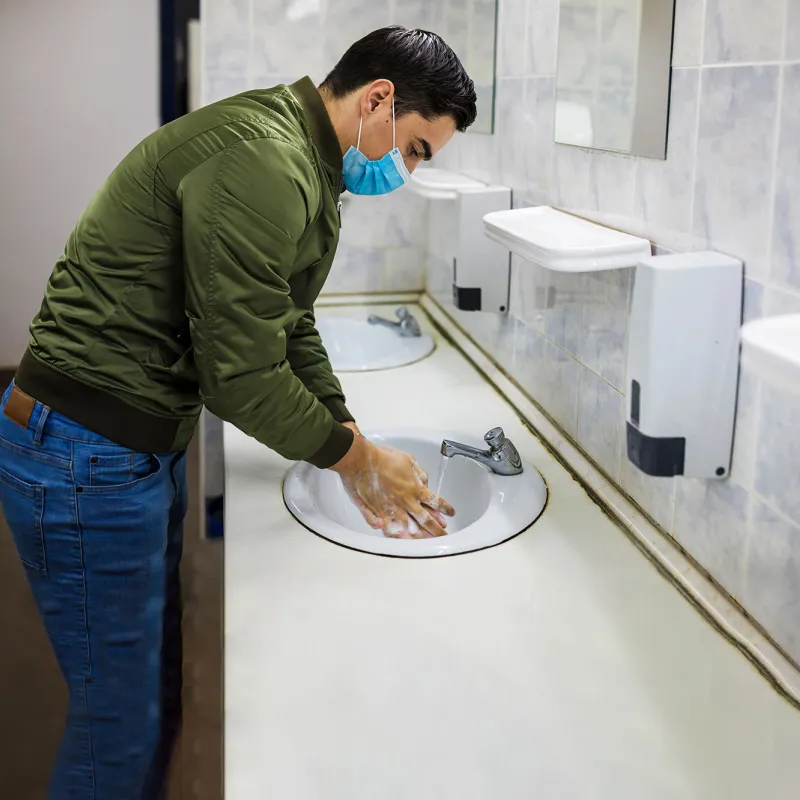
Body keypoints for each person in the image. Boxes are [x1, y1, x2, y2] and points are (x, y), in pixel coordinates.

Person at [0, 25, 476, 799]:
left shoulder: (303, 159)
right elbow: (242, 374)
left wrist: (348, 436)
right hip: (84, 453)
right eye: (416, 148)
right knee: (115, 726)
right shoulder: (266, 159)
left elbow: (287, 324)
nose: (408, 171)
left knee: (145, 698)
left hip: (116, 448)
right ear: (380, 99)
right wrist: (355, 460)